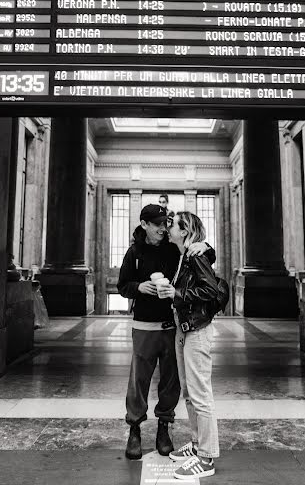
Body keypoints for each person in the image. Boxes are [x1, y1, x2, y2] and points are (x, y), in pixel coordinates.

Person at [117, 204, 215, 461]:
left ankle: (164, 428)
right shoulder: (134, 252)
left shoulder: (174, 249)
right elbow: (122, 286)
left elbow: (200, 258)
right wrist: (140, 287)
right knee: (139, 380)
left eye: (166, 223)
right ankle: (135, 429)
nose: (163, 228)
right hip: (143, 326)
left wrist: (206, 246)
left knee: (171, 381)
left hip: (172, 326)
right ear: (144, 224)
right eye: (158, 224)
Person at [159, 211, 220, 480]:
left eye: (173, 225)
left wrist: (178, 294)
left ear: (184, 232)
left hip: (197, 331)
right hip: (184, 330)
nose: (168, 228)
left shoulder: (196, 256)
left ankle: (206, 458)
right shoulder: (185, 255)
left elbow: (211, 291)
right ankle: (196, 446)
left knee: (201, 395)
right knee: (189, 393)